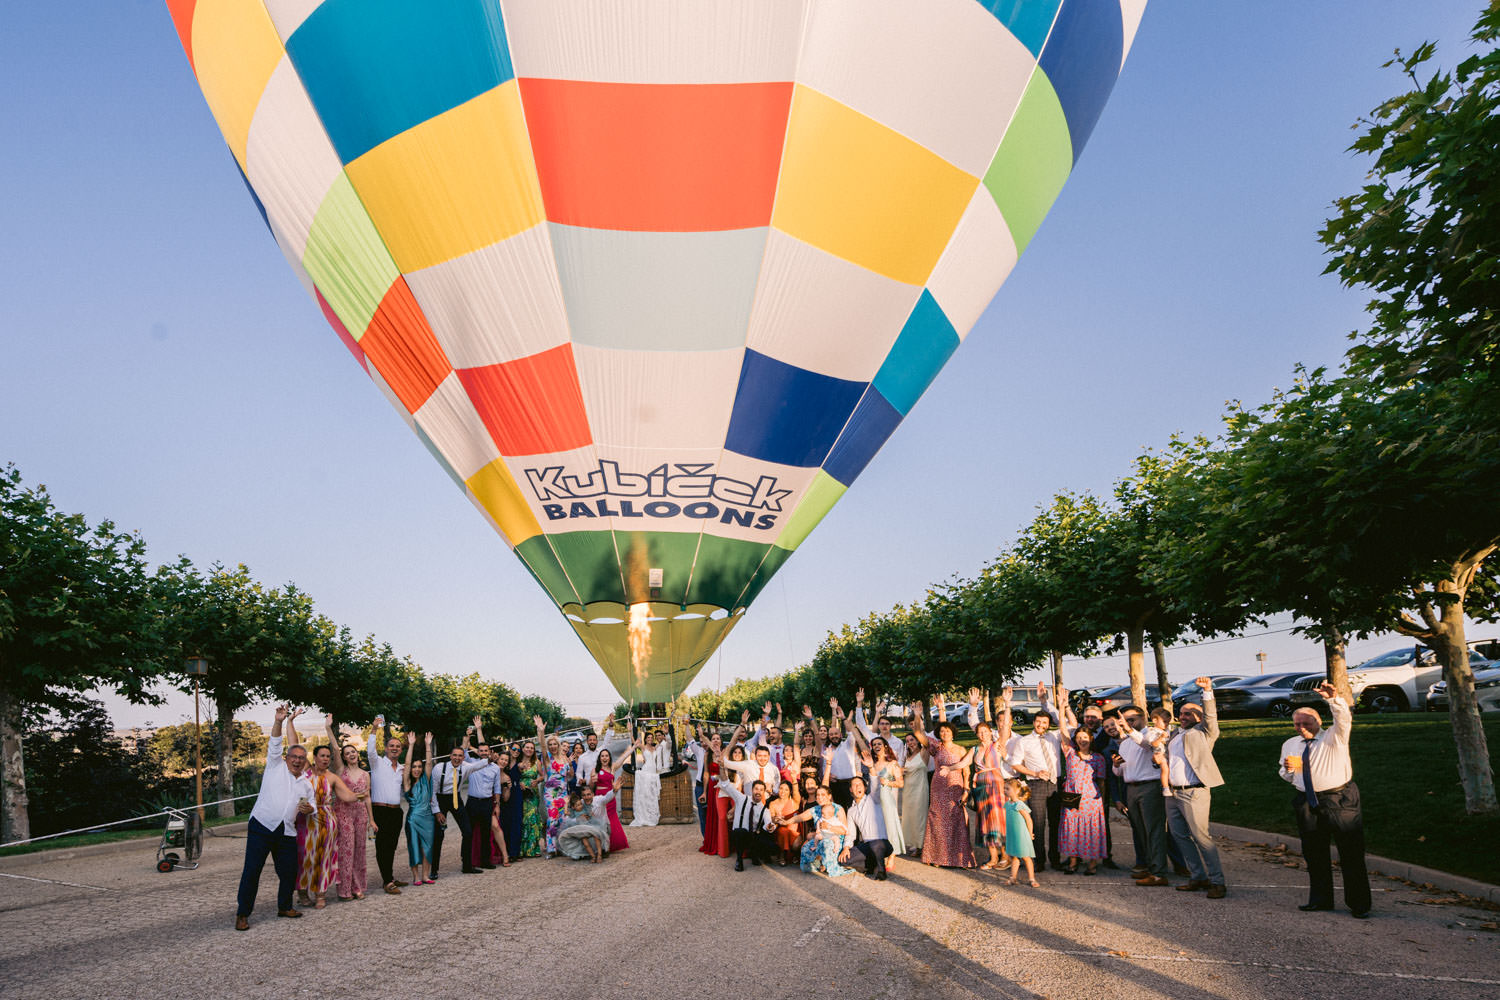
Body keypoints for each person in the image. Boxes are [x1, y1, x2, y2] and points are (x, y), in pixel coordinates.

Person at [1280, 681, 1370, 918]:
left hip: (1339, 799)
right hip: (1306, 801)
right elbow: (1285, 773)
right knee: (1314, 852)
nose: (1301, 727)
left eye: (1306, 723)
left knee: (1350, 852)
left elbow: (1343, 719)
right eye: (1297, 724)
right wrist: (1290, 770)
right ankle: (1320, 899)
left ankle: (1358, 904)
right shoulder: (1291, 744)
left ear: (1318, 722)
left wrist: (1333, 699)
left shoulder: (1334, 737)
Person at [236, 706, 316, 930]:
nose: (298, 761)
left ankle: (284, 906)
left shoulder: (306, 784)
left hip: (286, 831)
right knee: (252, 870)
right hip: (261, 826)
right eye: (294, 757)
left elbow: (313, 806)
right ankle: (242, 914)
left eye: (302, 758)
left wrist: (310, 809)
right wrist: (279, 721)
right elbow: (274, 743)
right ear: (286, 757)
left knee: (289, 871)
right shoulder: (274, 766)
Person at [1167, 677, 1226, 898]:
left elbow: (1211, 717)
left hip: (1194, 791)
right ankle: (1197, 876)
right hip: (1172, 793)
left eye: (1188, 714)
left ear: (1199, 718)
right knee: (1180, 836)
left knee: (1201, 837)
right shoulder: (1175, 735)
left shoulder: (1204, 733)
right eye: (1181, 713)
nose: (1183, 717)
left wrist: (1207, 692)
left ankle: (1217, 881)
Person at [294, 720, 359, 909]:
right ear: (313, 757)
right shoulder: (305, 772)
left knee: (323, 857)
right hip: (304, 821)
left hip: (326, 821)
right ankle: (303, 893)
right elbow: (294, 743)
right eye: (322, 756)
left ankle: (320, 893)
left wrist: (361, 795)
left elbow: (346, 795)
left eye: (328, 756)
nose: (325, 759)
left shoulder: (332, 777)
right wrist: (289, 721)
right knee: (304, 857)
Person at [911, 700, 975, 868]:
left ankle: (958, 859)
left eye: (948, 730)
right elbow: (918, 733)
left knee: (956, 820)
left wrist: (966, 791)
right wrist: (917, 715)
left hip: (956, 787)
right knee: (938, 820)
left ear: (953, 733)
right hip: (938, 788)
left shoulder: (961, 750)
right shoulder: (936, 747)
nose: (945, 733)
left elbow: (967, 772)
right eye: (942, 731)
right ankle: (938, 857)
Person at [1115, 706, 1172, 886]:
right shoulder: (1124, 742)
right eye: (1125, 720)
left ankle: (1159, 872)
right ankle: (1149, 866)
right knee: (1140, 831)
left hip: (1150, 787)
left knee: (1154, 831)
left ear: (1143, 718)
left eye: (1132, 719)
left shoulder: (1151, 733)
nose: (1128, 723)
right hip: (1131, 788)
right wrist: (1116, 765)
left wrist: (1129, 730)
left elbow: (1147, 744)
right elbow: (1120, 771)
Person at [1009, 684, 1061, 871]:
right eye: (1038, 722)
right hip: (1036, 784)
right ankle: (1038, 860)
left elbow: (1064, 722)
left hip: (1055, 784)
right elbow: (1015, 764)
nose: (1041, 725)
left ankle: (1055, 858)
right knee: (1038, 824)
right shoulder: (1024, 741)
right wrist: (1034, 773)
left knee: (1056, 823)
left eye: (1045, 722)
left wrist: (1045, 702)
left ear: (1048, 724)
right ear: (1034, 722)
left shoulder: (1054, 737)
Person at [429, 729, 490, 878]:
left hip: (456, 799)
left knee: (468, 832)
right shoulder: (439, 768)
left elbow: (483, 762)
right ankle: (434, 870)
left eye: (460, 756)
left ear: (464, 757)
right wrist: (437, 811)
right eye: (454, 755)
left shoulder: (466, 767)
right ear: (450, 756)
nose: (457, 758)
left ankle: (467, 866)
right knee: (438, 835)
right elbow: (432, 792)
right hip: (441, 799)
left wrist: (488, 753)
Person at [1056, 699, 1107, 875]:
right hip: (1071, 795)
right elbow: (1063, 730)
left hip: (1091, 798)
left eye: (1085, 737)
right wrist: (1062, 709)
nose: (1082, 740)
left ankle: (1092, 864)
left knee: (1091, 829)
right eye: (1078, 738)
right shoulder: (1070, 753)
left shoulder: (1098, 758)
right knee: (1072, 829)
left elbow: (1101, 782)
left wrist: (1103, 800)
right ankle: (1073, 862)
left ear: (1090, 739)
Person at [327, 717, 375, 901]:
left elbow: (368, 798)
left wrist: (371, 819)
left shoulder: (365, 774)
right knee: (346, 851)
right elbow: (335, 750)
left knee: (360, 851)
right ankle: (344, 890)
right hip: (344, 812)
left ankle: (358, 886)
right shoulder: (340, 771)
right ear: (344, 757)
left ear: (357, 754)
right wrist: (328, 728)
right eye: (347, 753)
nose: (350, 754)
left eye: (353, 751)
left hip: (360, 813)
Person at [366, 716, 408, 895]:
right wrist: (375, 729)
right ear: (386, 748)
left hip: (396, 812)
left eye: (398, 746)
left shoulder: (401, 768)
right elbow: (369, 751)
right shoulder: (377, 764)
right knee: (382, 847)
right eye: (392, 746)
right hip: (380, 810)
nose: (395, 748)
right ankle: (387, 882)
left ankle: (389, 876)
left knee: (391, 846)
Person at [789, 784, 855, 877]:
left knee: (826, 843)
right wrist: (785, 822)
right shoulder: (816, 809)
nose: (820, 797)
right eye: (818, 795)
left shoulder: (838, 808)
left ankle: (826, 864)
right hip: (821, 837)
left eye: (823, 795)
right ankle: (817, 864)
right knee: (806, 847)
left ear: (829, 796)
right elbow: (799, 817)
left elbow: (844, 831)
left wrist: (829, 827)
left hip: (835, 839)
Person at [860, 732, 906, 860]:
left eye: (879, 743)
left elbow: (900, 783)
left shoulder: (892, 764)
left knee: (889, 825)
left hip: (886, 798)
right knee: (876, 826)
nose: (876, 746)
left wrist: (887, 782)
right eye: (874, 744)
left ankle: (892, 855)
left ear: (885, 746)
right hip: (872, 797)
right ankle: (878, 852)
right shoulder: (871, 764)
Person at [464, 716, 501, 870]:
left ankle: (486, 861)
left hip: (487, 802)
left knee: (486, 834)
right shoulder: (471, 763)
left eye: (486, 750)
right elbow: (464, 749)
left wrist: (497, 805)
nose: (484, 753)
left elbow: (497, 788)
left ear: (490, 752)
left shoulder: (495, 768)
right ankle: (467, 864)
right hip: (472, 802)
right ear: (477, 752)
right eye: (481, 750)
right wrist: (469, 734)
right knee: (469, 833)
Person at [720, 778, 778, 871]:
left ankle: (754, 854)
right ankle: (739, 860)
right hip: (738, 834)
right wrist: (722, 768)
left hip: (752, 837)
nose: (758, 792)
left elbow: (768, 823)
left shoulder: (764, 810)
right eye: (756, 789)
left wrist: (770, 826)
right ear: (752, 790)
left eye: (761, 790)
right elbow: (727, 786)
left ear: (763, 793)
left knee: (772, 846)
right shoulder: (742, 798)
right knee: (740, 832)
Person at [844, 775, 894, 880]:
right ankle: (871, 865)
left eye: (860, 785)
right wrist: (846, 848)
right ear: (850, 789)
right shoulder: (851, 811)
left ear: (865, 788)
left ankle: (881, 870)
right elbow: (851, 833)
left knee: (875, 844)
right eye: (854, 785)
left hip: (883, 844)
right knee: (844, 860)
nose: (857, 787)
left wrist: (871, 768)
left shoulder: (873, 799)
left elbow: (876, 786)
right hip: (867, 846)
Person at [404, 732, 437, 885]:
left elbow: (429, 763)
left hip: (428, 818)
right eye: (414, 767)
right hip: (413, 819)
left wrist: (427, 745)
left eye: (419, 766)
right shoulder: (408, 783)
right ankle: (416, 876)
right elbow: (407, 763)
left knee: (428, 847)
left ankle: (425, 875)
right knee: (414, 847)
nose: (416, 769)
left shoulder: (426, 779)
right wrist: (410, 745)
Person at [556, 787, 614, 862]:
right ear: (573, 807)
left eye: (580, 804)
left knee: (596, 835)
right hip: (581, 829)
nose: (580, 806)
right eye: (577, 805)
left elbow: (592, 812)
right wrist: (566, 803)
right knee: (585, 843)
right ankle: (592, 856)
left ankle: (599, 855)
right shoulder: (573, 812)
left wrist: (590, 815)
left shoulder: (586, 807)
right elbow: (566, 813)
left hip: (590, 825)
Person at [591, 743, 630, 852]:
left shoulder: (612, 767)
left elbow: (622, 758)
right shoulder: (595, 770)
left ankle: (614, 844)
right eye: (602, 756)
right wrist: (591, 781)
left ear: (609, 757)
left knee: (612, 819)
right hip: (600, 796)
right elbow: (590, 787)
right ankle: (602, 844)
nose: (604, 758)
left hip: (611, 796)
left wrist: (634, 747)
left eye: (606, 756)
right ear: (599, 758)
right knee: (601, 819)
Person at [697, 729, 730, 858]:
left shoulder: (725, 753)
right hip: (711, 787)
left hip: (723, 786)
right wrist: (704, 792)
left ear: (721, 741)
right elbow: (706, 773)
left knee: (722, 815)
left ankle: (723, 844)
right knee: (712, 814)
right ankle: (713, 843)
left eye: (718, 738)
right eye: (714, 739)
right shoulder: (707, 755)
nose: (716, 740)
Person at [628, 729, 670, 827]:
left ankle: (651, 816)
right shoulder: (643, 747)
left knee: (652, 794)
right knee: (645, 794)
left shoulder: (655, 747)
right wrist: (630, 731)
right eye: (648, 738)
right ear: (645, 739)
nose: (650, 739)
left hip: (654, 771)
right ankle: (643, 816)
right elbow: (634, 743)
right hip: (646, 770)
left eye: (651, 737)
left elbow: (666, 748)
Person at [1003, 779, 1038, 888]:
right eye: (1004, 788)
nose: (1005, 790)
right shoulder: (1008, 804)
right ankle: (1013, 877)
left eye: (1007, 789)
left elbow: (1029, 820)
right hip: (1012, 835)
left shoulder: (1019, 804)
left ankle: (1032, 879)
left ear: (1016, 790)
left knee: (1026, 857)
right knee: (1014, 857)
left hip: (1022, 835)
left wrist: (1030, 833)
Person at [900, 731, 930, 856]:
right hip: (907, 790)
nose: (910, 743)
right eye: (907, 741)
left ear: (917, 740)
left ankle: (921, 846)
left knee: (920, 817)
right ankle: (913, 843)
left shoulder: (924, 752)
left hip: (920, 788)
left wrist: (917, 717)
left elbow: (927, 743)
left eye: (912, 740)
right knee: (909, 817)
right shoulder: (906, 757)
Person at [516, 738, 544, 858]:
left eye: (531, 748)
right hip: (520, 794)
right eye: (527, 747)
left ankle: (534, 848)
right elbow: (512, 776)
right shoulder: (517, 762)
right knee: (523, 819)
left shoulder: (537, 762)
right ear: (523, 749)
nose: (529, 749)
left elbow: (543, 776)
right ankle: (521, 849)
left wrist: (537, 780)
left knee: (532, 818)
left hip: (533, 794)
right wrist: (519, 782)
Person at [769, 780, 803, 866]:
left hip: (794, 831)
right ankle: (782, 855)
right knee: (783, 831)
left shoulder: (794, 802)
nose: (783, 791)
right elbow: (772, 819)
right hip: (781, 831)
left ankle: (795, 854)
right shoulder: (773, 803)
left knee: (796, 844)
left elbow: (796, 791)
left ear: (790, 791)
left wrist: (794, 778)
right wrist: (776, 819)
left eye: (786, 789)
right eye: (781, 788)